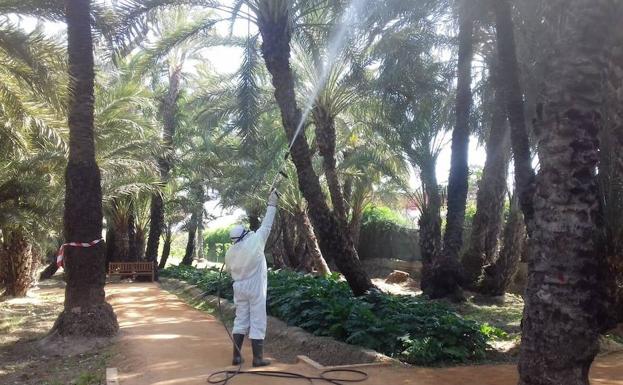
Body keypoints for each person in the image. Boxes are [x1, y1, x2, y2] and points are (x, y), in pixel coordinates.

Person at [225, 191, 278, 367]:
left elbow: (228, 271)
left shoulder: (230, 251)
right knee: (257, 320)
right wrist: (272, 203)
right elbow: (267, 225)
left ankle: (236, 357)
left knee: (240, 319)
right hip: (255, 287)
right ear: (244, 234)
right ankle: (257, 358)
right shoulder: (255, 241)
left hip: (238, 287)